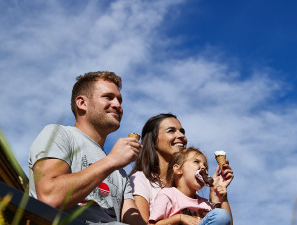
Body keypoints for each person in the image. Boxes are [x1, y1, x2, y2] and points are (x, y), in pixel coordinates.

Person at [29, 71, 146, 225]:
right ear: (82, 103)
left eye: (119, 100)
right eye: (108, 97)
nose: (118, 105)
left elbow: (134, 221)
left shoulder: (120, 172)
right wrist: (111, 161)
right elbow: (50, 196)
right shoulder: (60, 134)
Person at [129, 114, 234, 223]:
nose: (181, 136)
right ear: (154, 140)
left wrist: (220, 196)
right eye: (171, 131)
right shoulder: (141, 179)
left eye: (182, 131)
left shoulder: (190, 190)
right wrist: (179, 218)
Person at [149, 147, 232, 225]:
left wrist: (222, 198)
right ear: (178, 169)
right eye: (196, 162)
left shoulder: (206, 204)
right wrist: (179, 218)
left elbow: (224, 220)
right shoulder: (168, 195)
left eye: (206, 166)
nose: (203, 167)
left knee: (222, 215)